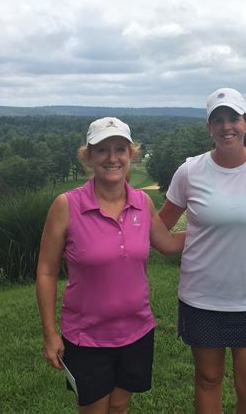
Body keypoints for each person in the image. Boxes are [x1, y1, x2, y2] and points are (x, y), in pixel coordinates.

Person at [36, 117, 185, 413]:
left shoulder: (142, 201)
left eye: (120, 149)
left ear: (131, 155)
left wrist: (215, 227)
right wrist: (50, 334)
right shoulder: (67, 205)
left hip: (137, 331)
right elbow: (46, 272)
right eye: (102, 150)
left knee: (119, 406)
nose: (112, 158)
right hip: (86, 336)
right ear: (88, 156)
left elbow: (167, 244)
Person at [158, 88, 246, 414]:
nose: (226, 126)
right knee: (207, 379)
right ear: (209, 127)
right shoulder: (190, 171)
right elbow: (161, 229)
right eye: (218, 120)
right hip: (202, 298)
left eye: (233, 118)